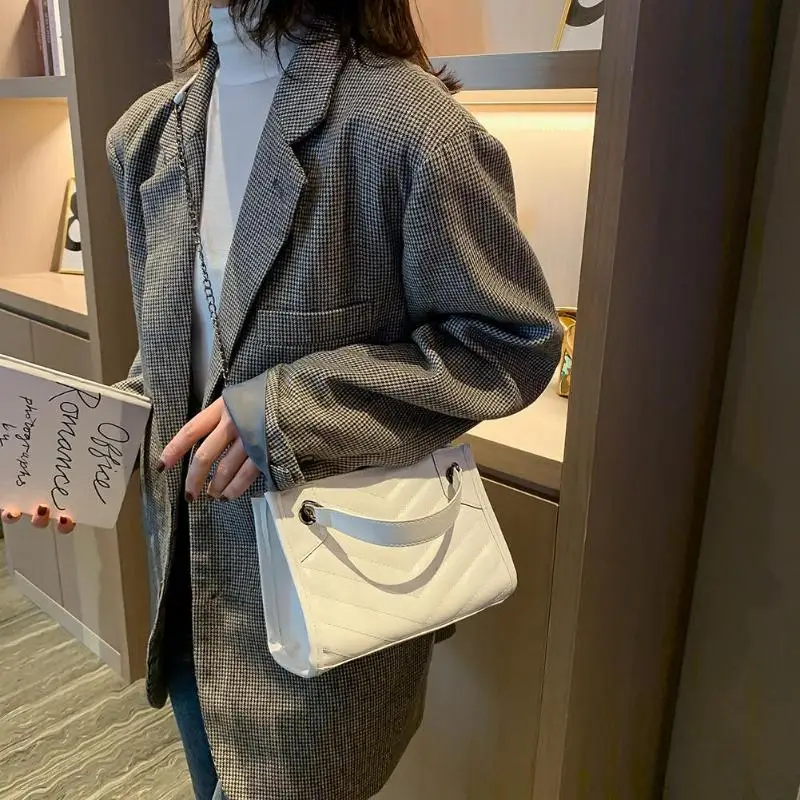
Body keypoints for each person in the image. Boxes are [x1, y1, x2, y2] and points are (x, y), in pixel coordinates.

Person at [2, 1, 562, 798]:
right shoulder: (148, 136)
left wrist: (288, 412)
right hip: (190, 598)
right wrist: (81, 452)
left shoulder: (406, 128)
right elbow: (176, 361)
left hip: (324, 622)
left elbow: (512, 340)